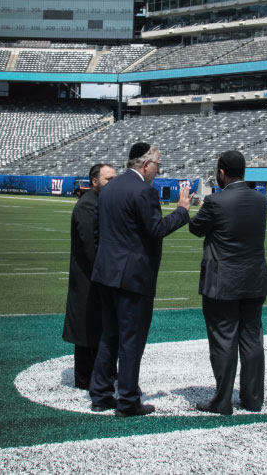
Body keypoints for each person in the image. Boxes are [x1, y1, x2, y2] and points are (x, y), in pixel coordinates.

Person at [89, 143, 192, 417]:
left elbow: (98, 232)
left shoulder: (109, 187)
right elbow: (156, 230)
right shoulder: (143, 191)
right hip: (132, 277)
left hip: (106, 273)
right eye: (158, 164)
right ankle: (128, 401)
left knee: (109, 337)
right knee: (131, 341)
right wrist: (182, 211)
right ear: (146, 164)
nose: (159, 170)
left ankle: (100, 394)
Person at [188, 150, 267, 416]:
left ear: (221, 173)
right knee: (252, 339)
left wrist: (192, 208)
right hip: (255, 279)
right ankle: (253, 399)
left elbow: (196, 228)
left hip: (222, 282)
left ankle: (222, 401)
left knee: (224, 341)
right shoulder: (260, 201)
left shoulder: (215, 201)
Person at [63, 163, 117, 389]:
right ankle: (85, 379)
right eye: (108, 179)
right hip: (88, 280)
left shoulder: (101, 203)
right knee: (86, 330)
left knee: (98, 328)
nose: (113, 182)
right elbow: (90, 248)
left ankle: (100, 373)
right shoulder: (87, 206)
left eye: (115, 178)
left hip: (96, 278)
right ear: (95, 182)